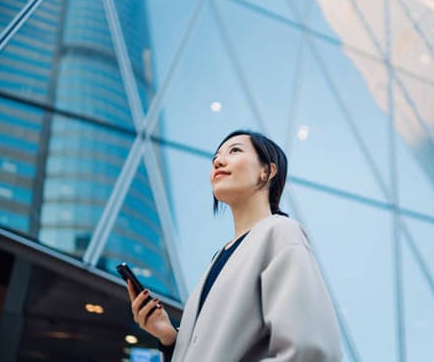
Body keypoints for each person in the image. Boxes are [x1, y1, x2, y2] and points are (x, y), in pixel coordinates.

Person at [127, 129, 342, 361]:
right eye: (215, 158)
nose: (218, 161)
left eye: (235, 150)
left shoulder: (280, 232)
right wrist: (170, 339)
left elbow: (308, 351)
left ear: (267, 172)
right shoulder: (219, 258)